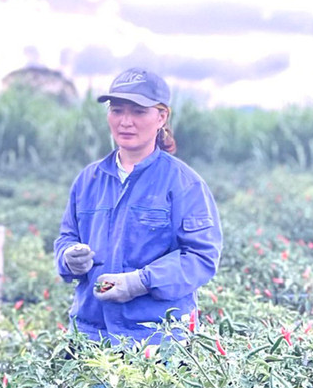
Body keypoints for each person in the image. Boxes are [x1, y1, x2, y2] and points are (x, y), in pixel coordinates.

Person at [54, 67, 223, 353]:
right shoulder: (88, 180)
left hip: (156, 342)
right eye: (117, 110)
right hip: (90, 338)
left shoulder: (184, 184)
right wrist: (69, 258)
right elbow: (66, 237)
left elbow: (201, 257)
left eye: (139, 112)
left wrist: (141, 282)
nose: (125, 122)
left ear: (161, 117)